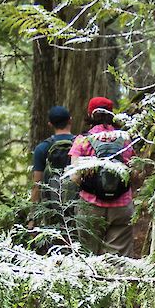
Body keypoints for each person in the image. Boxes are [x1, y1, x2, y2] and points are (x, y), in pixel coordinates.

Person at [69, 96, 137, 257]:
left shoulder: (83, 140)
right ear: (112, 114)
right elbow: (135, 172)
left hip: (90, 205)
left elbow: (74, 176)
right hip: (122, 205)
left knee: (89, 257)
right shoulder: (125, 139)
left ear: (91, 114)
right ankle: (120, 281)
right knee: (120, 260)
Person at [29, 105, 76, 237]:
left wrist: (33, 216)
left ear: (50, 124)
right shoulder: (81, 144)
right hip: (78, 208)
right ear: (70, 120)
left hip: (51, 206)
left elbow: (37, 185)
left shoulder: (42, 148)